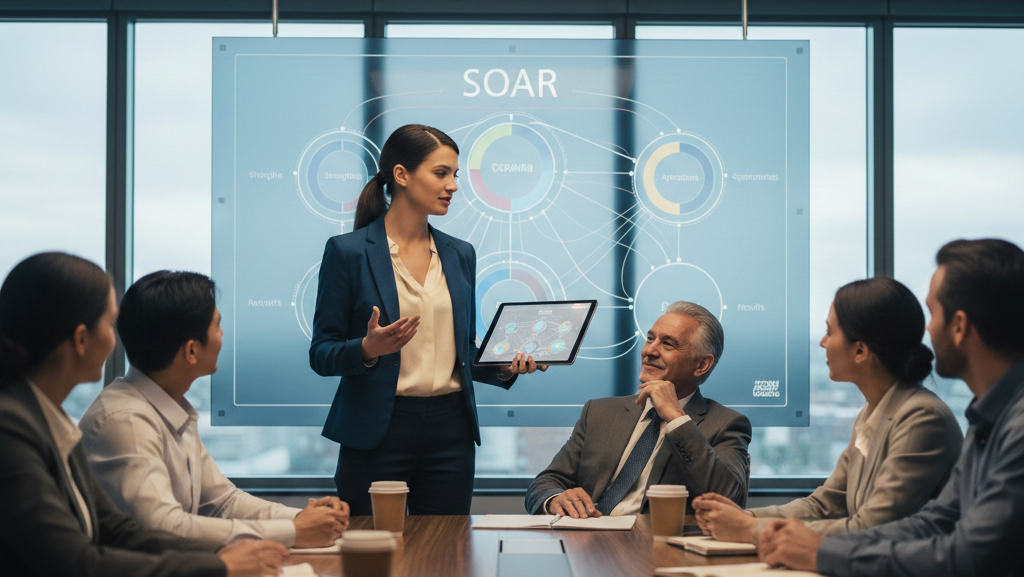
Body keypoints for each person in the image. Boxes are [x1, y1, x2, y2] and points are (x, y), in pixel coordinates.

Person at [0, 252, 288, 577]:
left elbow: (119, 531)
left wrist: (228, 554)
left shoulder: (47, 420)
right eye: (109, 323)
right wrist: (220, 565)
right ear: (81, 338)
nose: (115, 339)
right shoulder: (12, 428)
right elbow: (76, 563)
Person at [309, 124, 545, 516]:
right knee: (372, 551)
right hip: (376, 431)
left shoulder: (459, 254)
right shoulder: (347, 253)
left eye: (454, 174)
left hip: (451, 432)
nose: (453, 185)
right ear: (401, 175)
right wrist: (367, 348)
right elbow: (321, 353)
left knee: (445, 554)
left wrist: (504, 366)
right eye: (441, 173)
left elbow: (462, 351)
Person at [758, 238, 1024, 577]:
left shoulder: (1008, 424)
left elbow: (968, 557)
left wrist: (822, 553)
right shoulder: (987, 416)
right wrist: (818, 548)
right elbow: (932, 522)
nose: (926, 329)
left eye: (933, 313)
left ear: (959, 326)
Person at [79, 270, 349, 548]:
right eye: (217, 325)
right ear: (192, 351)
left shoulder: (168, 407)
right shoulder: (127, 422)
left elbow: (223, 501)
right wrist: (294, 531)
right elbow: (163, 528)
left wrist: (307, 519)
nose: (222, 334)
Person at [694, 277, 963, 541]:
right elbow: (825, 504)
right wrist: (747, 518)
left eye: (830, 332)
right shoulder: (872, 412)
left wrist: (751, 529)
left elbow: (872, 526)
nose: (823, 342)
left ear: (860, 351)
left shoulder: (922, 418)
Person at [525, 301, 751, 518]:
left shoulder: (726, 424)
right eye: (650, 339)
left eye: (668, 344)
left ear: (701, 365)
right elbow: (546, 482)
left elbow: (730, 499)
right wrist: (555, 498)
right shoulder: (599, 412)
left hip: (658, 549)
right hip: (590, 542)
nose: (650, 351)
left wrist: (676, 417)